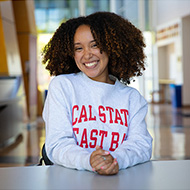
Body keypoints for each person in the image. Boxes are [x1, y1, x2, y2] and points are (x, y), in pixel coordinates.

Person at [42, 11, 153, 175]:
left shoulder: (132, 99)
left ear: (111, 46)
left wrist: (115, 161)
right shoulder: (63, 86)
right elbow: (57, 144)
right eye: (79, 48)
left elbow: (141, 145)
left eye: (95, 45)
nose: (87, 54)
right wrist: (89, 161)